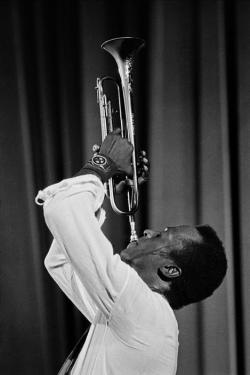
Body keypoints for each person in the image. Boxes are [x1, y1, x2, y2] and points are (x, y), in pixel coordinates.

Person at [35, 130, 227, 375]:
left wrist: (103, 165)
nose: (148, 231)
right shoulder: (132, 312)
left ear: (170, 270)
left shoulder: (146, 314)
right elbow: (62, 261)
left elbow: (62, 209)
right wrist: (103, 187)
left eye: (160, 235)